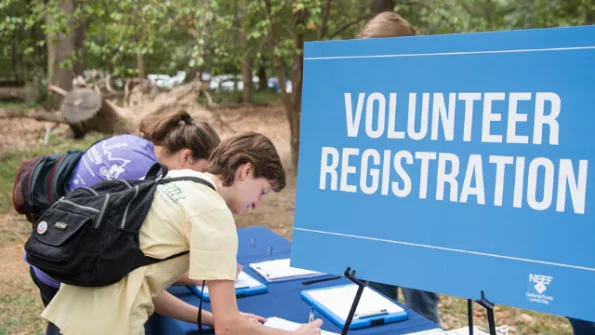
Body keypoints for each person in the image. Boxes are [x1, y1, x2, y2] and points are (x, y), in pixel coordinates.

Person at [40, 131, 324, 335]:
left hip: (70, 314)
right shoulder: (214, 214)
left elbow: (139, 282)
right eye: (262, 191)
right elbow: (230, 328)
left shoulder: (176, 177)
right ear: (246, 171)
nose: (256, 204)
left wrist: (212, 318)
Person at [26, 110, 250, 335]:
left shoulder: (135, 145)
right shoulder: (145, 177)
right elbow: (134, 270)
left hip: (55, 247)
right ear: (186, 157)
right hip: (72, 272)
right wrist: (206, 283)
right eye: (203, 171)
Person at [356, 11, 442, 327]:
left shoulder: (432, 99)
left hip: (420, 230)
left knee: (421, 314)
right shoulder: (358, 99)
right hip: (372, 225)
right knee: (377, 309)